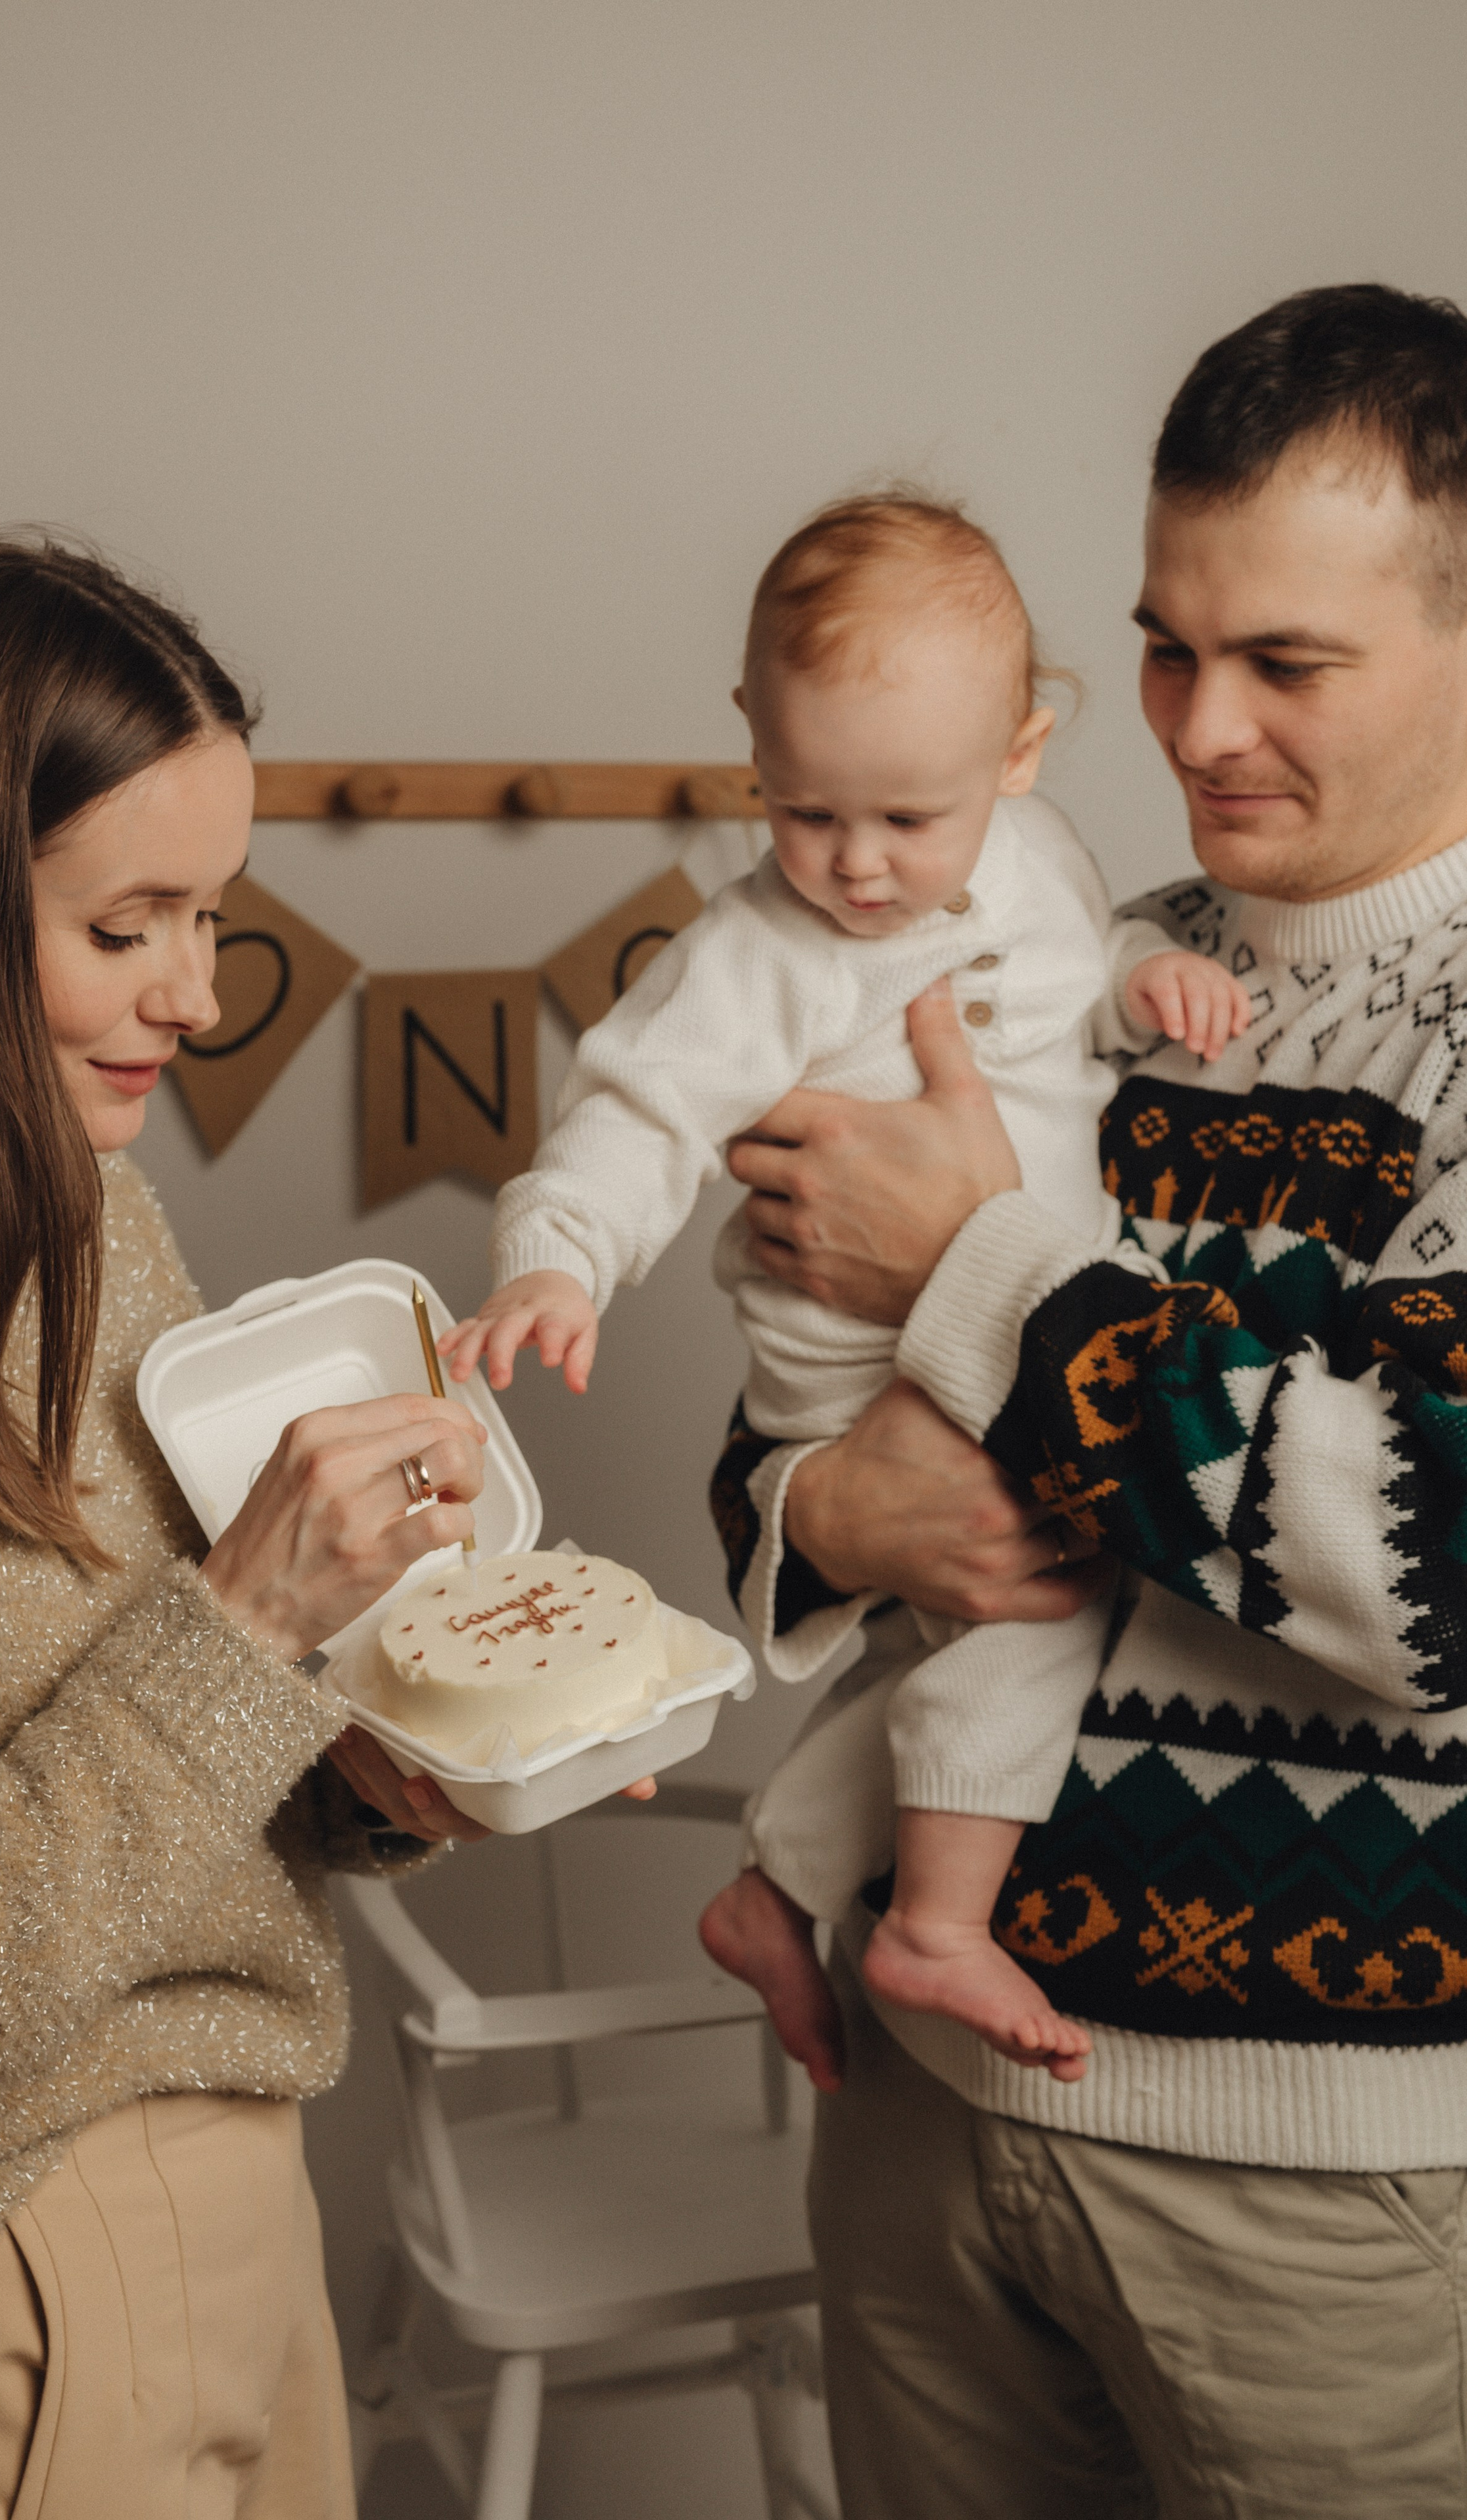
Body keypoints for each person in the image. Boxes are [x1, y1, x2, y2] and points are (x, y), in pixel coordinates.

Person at [709, 281, 1467, 2515]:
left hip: (1315, 2191)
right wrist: (834, 1518)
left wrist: (981, 1264)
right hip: (922, 2108)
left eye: (1286, 662)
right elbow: (775, 1451)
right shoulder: (1055, 958)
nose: (1198, 723)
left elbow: (1426, 1562)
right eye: (1163, 642)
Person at [0, 536, 495, 2515]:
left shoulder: (84, 1217)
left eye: (211, 917)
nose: (195, 993)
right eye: (129, 926)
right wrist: (255, 1625)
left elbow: (157, 1734)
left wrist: (396, 1760)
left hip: (235, 2183)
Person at [440, 492, 1247, 2080]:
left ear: (1019, 754)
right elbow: (633, 1114)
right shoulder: (756, 951)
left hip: (1016, 1324)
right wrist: (556, 1259)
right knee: (1041, 1604)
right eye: (806, 814)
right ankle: (931, 1925)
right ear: (752, 741)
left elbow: (1078, 1011)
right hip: (858, 1365)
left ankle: (774, 1890)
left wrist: (1149, 985)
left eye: (906, 820)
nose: (856, 869)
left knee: (940, 1646)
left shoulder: (1044, 861)